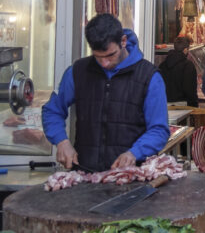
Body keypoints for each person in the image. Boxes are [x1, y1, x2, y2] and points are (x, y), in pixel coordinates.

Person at [42, 14, 169, 171]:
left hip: (131, 175)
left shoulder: (149, 77)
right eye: (98, 57)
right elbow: (52, 110)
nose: (104, 63)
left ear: (123, 41)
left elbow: (159, 130)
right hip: (85, 174)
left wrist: (134, 153)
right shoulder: (77, 71)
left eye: (110, 55)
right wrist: (61, 141)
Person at [158, 36, 198, 107]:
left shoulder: (162, 65)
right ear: (185, 50)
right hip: (183, 106)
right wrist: (194, 105)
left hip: (164, 105)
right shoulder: (188, 66)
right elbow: (190, 90)